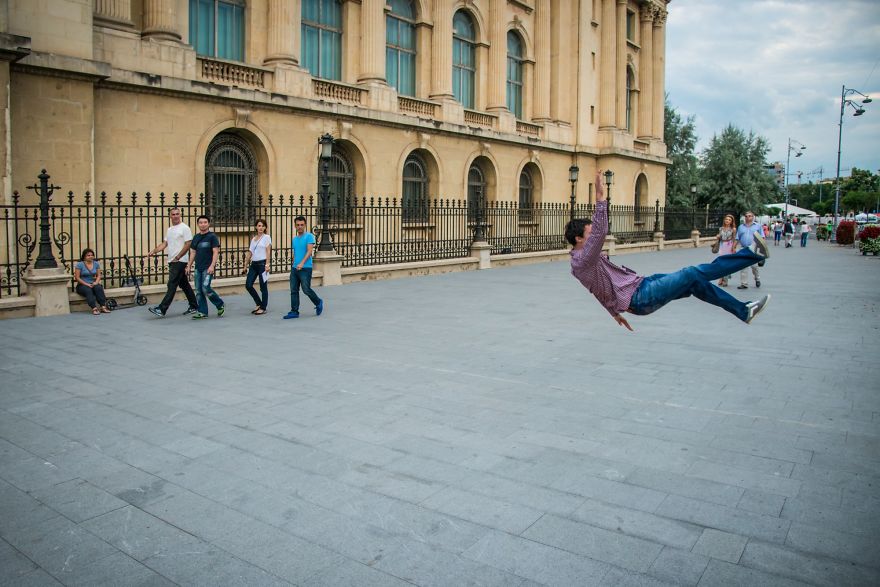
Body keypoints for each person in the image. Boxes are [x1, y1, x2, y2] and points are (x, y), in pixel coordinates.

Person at [567, 170, 771, 331]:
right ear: (578, 239)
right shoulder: (584, 259)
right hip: (640, 297)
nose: (593, 236)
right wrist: (601, 197)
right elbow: (601, 231)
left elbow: (596, 290)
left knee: (695, 284)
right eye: (589, 233)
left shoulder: (578, 263)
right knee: (691, 273)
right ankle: (752, 254)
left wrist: (613, 313)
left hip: (642, 285)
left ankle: (744, 311)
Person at [146, 207, 198, 317]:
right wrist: (154, 251)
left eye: (177, 214)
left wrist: (179, 256)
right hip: (172, 260)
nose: (175, 216)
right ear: (170, 216)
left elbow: (188, 243)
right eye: (173, 214)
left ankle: (162, 309)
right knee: (184, 285)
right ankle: (194, 306)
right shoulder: (169, 230)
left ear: (180, 215)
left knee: (172, 284)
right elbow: (165, 244)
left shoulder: (185, 228)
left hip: (179, 261)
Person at [284, 215, 323, 319]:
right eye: (298, 225)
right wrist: (294, 263)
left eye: (302, 225)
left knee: (306, 289)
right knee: (293, 290)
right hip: (295, 268)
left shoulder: (309, 236)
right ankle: (294, 311)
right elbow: (296, 253)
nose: (300, 227)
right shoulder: (294, 239)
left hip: (305, 268)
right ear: (295, 226)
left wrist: (301, 263)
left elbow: (309, 251)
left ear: (305, 225)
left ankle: (318, 302)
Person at [187, 214, 225, 319]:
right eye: (200, 223)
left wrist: (212, 266)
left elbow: (215, 252)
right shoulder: (196, 237)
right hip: (198, 268)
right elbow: (193, 252)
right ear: (198, 224)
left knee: (205, 288)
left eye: (205, 222)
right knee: (198, 290)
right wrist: (189, 265)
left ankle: (219, 304)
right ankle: (202, 312)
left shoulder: (212, 237)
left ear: (208, 224)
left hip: (207, 268)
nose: (203, 224)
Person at [242, 218, 272, 315]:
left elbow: (268, 251)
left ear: (265, 227)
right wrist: (245, 266)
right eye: (259, 226)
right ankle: (258, 303)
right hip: (254, 264)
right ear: (256, 227)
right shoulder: (253, 239)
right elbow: (250, 252)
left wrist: (267, 264)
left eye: (263, 226)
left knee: (263, 287)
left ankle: (263, 307)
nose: (261, 227)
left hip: (262, 264)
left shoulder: (266, 237)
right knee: (248, 285)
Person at [74, 248, 110, 315]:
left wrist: (96, 282)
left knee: (98, 288)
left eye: (92, 255)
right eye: (88, 255)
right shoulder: (80, 264)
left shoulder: (96, 264)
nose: (91, 256)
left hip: (93, 283)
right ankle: (94, 308)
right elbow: (77, 277)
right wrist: (87, 284)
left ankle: (103, 306)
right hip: (82, 285)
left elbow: (99, 275)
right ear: (84, 257)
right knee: (88, 290)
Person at [736, 211, 765, 290]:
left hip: (754, 248)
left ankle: (757, 278)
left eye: (750, 216)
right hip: (743, 248)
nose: (748, 217)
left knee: (754, 266)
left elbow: (762, 237)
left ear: (753, 217)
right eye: (746, 216)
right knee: (743, 266)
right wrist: (734, 247)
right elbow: (737, 238)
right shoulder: (741, 227)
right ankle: (744, 283)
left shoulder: (758, 226)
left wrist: (762, 250)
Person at [714, 214, 737, 287]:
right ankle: (721, 278)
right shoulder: (721, 228)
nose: (727, 221)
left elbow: (734, 239)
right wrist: (718, 237)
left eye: (729, 220)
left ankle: (725, 280)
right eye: (726, 219)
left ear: (731, 222)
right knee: (721, 262)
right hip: (722, 245)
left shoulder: (733, 229)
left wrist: (733, 248)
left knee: (727, 263)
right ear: (724, 220)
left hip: (729, 245)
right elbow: (720, 237)